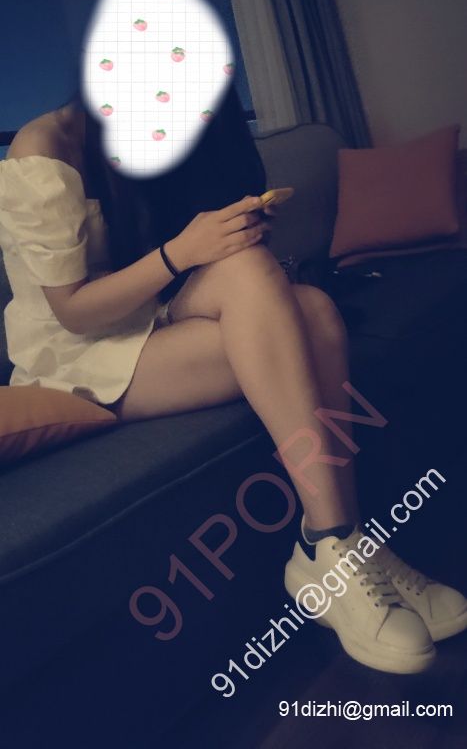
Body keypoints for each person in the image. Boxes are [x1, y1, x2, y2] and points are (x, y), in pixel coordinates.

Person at [0, 88, 466, 676]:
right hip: (76, 355)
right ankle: (337, 542)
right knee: (307, 321)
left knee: (315, 307)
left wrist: (232, 230)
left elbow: (173, 260)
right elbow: (72, 311)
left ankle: (338, 542)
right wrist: (181, 251)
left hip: (145, 320)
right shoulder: (42, 147)